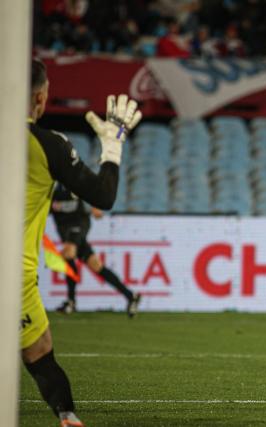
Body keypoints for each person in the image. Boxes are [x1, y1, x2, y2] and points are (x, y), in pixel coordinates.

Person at [23, 58, 141, 426]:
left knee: (83, 261)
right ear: (41, 98)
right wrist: (113, 145)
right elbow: (103, 196)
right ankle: (67, 416)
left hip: (56, 247)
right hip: (12, 278)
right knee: (40, 353)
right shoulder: (48, 146)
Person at [50, 183, 141, 317]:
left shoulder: (75, 183)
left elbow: (93, 204)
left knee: (69, 253)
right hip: (65, 231)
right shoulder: (52, 189)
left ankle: (71, 301)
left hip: (78, 225)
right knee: (96, 265)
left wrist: (94, 207)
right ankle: (131, 295)